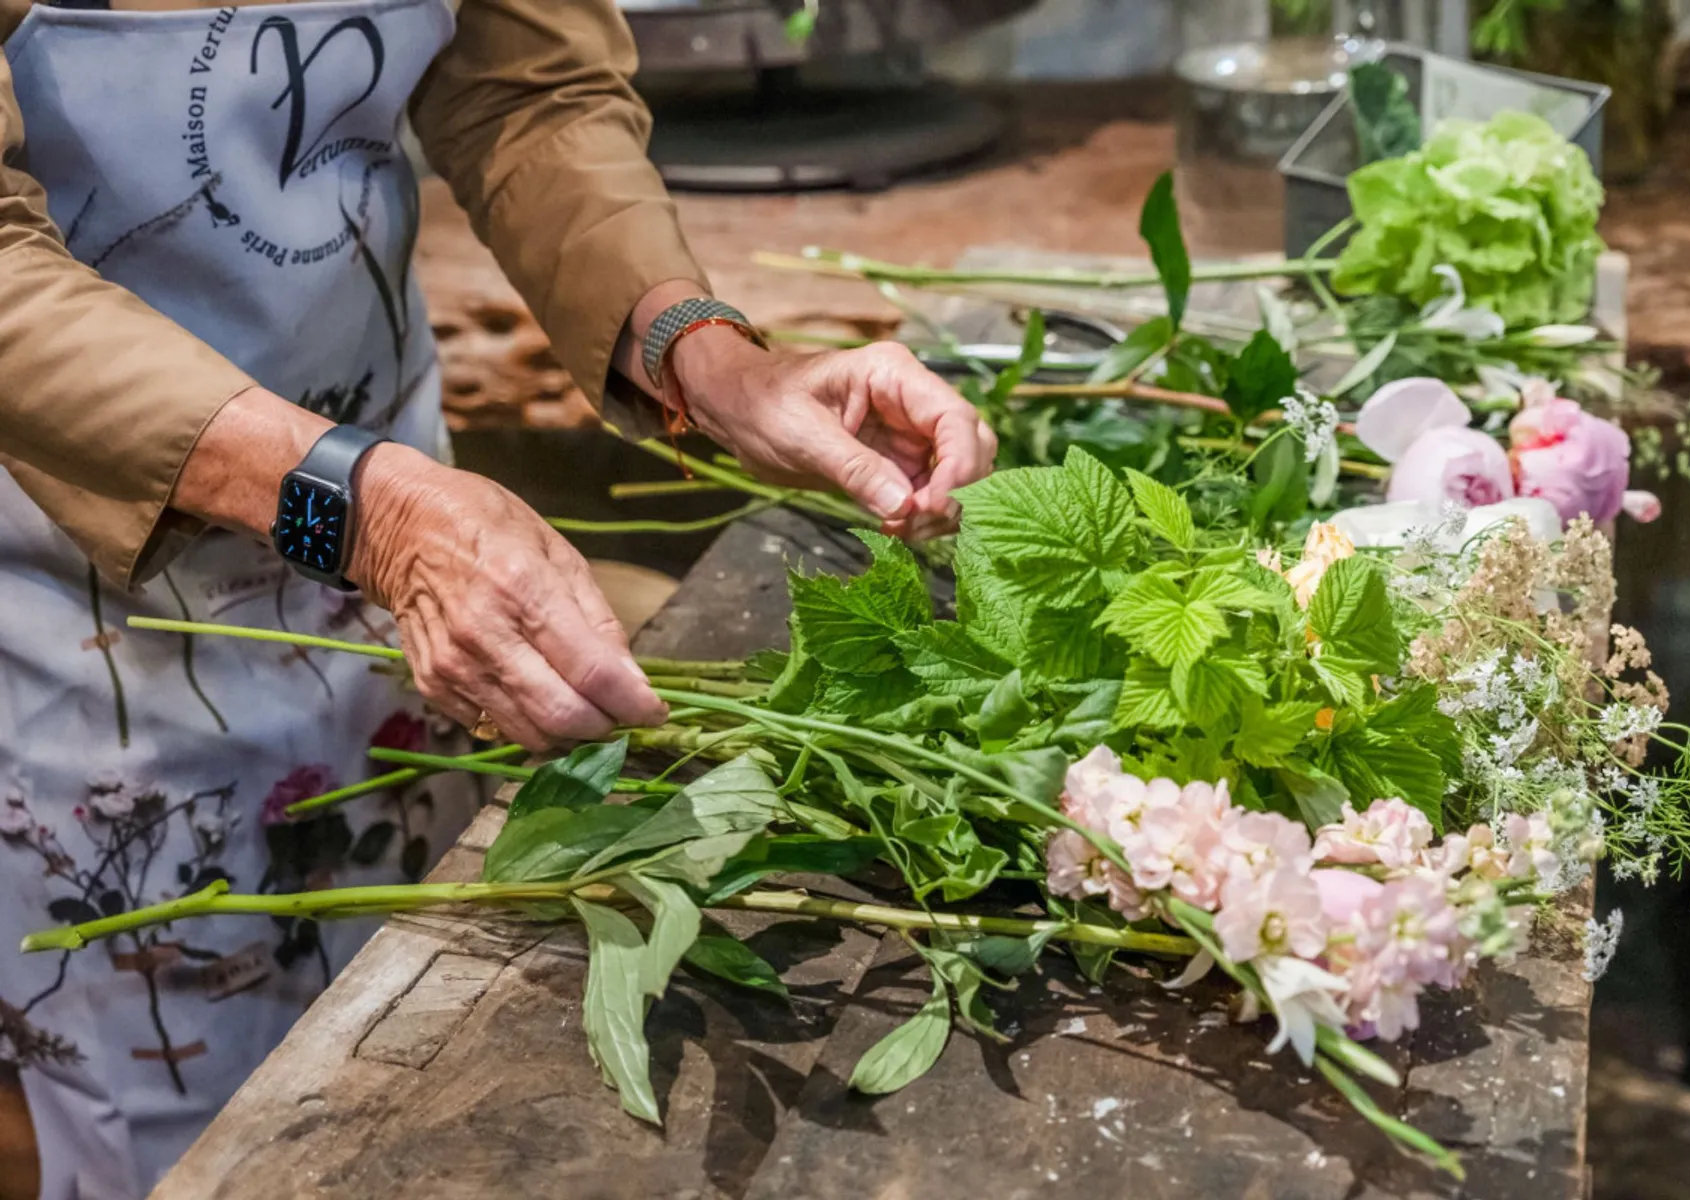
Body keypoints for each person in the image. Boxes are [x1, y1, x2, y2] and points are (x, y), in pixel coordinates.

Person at [0, 0, 998, 1194]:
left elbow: (527, 93)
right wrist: (374, 513)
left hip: (396, 520)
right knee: (195, 1135)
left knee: (411, 1054)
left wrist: (711, 359)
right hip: (88, 600)